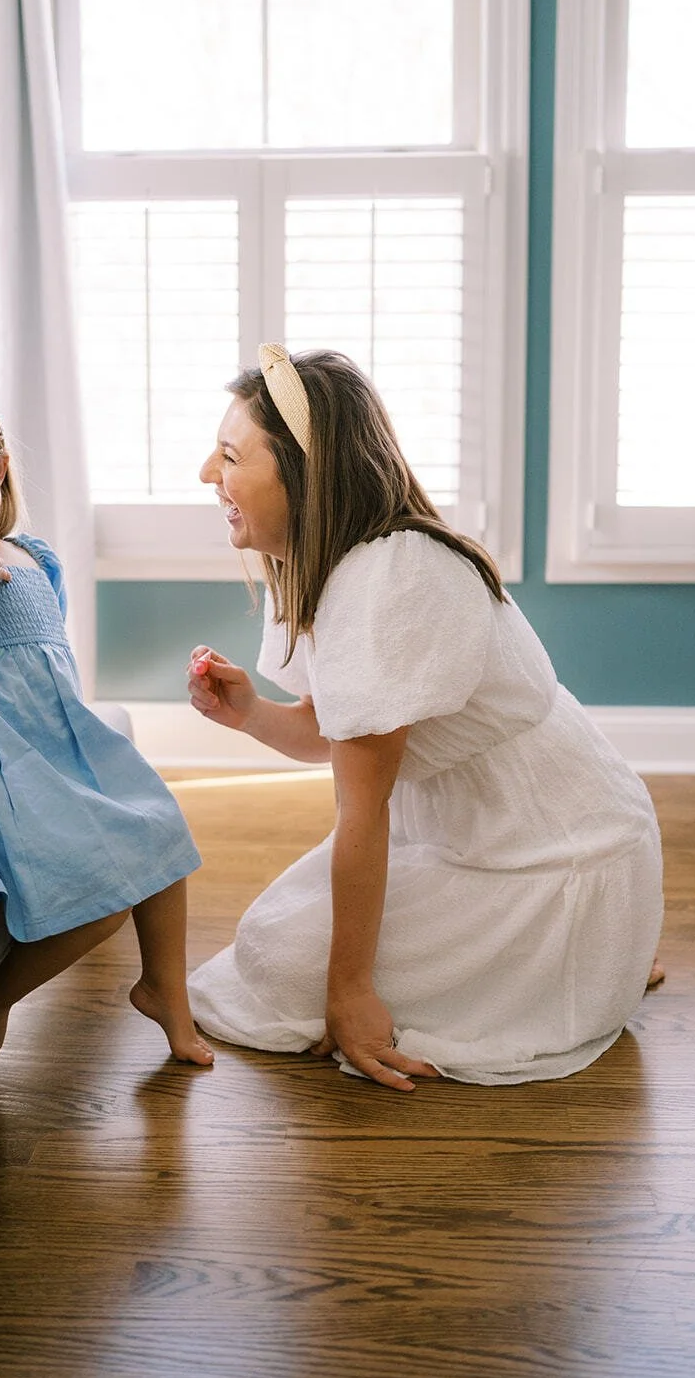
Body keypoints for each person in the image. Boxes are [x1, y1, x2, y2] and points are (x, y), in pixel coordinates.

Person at [185, 344, 664, 1093]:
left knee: (280, 963)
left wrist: (351, 993)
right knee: (270, 943)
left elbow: (364, 805)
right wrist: (250, 715)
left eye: (229, 455)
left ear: (306, 474)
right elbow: (335, 732)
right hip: (472, 840)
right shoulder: (337, 566)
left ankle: (592, 950)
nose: (209, 475)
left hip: (553, 856)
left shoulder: (395, 577)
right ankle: (601, 955)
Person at [0, 374, 213, 1074]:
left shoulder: (37, 557)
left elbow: (52, 666)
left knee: (162, 830)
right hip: (0, 757)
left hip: (60, 741)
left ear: (3, 469)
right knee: (102, 901)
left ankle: (165, 992)